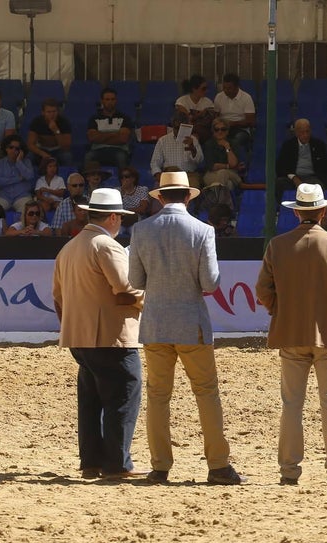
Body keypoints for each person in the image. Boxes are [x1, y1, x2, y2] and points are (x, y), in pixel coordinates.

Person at [127, 172, 244, 486]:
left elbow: (136, 282)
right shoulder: (203, 230)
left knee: (157, 396)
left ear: (160, 196)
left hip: (155, 323)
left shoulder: (140, 230)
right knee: (206, 393)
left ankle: (160, 466)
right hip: (191, 323)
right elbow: (210, 283)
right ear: (189, 197)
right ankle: (218, 466)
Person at [255, 183, 327, 485]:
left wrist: (280, 308)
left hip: (290, 334)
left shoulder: (277, 245)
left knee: (291, 404)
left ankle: (289, 470)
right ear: (323, 211)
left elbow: (263, 290)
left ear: (297, 212)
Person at [51, 187, 147, 478]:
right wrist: (147, 296)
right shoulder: (106, 246)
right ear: (114, 217)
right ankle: (117, 463)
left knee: (91, 399)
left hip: (78, 336)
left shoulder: (68, 248)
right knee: (123, 393)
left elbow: (57, 297)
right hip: (110, 336)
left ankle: (91, 462)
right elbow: (126, 288)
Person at [276, 119, 327, 194]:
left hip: (312, 177)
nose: (305, 135)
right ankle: (278, 205)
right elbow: (281, 167)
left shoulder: (319, 145)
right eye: (302, 132)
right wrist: (294, 178)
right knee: (279, 183)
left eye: (307, 131)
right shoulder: (288, 145)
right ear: (296, 133)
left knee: (317, 188)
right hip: (292, 178)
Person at [85, 87, 135, 169]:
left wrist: (101, 135)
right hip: (98, 150)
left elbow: (123, 139)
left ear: (116, 100)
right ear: (102, 101)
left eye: (112, 99)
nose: (110, 102)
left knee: (121, 157)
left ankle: (124, 180)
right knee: (89, 156)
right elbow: (92, 138)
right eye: (107, 99)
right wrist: (115, 134)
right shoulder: (94, 118)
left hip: (119, 150)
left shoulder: (125, 118)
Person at [150, 111, 204, 187]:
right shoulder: (163, 140)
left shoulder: (193, 139)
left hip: (189, 175)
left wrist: (192, 149)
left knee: (193, 190)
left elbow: (199, 160)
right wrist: (158, 174)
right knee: (160, 192)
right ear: (172, 127)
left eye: (181, 128)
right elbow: (155, 162)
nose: (179, 131)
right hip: (169, 174)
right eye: (176, 128)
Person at [212, 73, 256, 162]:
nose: (226, 90)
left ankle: (234, 163)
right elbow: (215, 116)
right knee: (211, 140)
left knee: (236, 141)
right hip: (222, 127)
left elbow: (250, 121)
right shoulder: (219, 97)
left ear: (237, 87)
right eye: (224, 88)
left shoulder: (246, 98)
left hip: (240, 129)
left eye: (229, 88)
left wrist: (233, 123)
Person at [0, 134, 34, 213]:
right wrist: (19, 178)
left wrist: (19, 162)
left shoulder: (26, 162)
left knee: (29, 212)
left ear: (21, 151)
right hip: (3, 195)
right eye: (11, 147)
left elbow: (30, 176)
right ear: (6, 148)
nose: (13, 150)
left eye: (17, 148)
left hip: (22, 195)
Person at [26, 98, 74, 167]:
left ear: (58, 111)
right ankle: (30, 176)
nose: (52, 114)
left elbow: (66, 147)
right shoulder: (36, 122)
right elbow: (30, 145)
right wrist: (43, 154)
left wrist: (56, 131)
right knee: (29, 156)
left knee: (67, 156)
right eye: (48, 112)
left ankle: (66, 176)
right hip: (42, 149)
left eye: (54, 111)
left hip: (58, 150)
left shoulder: (64, 122)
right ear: (43, 112)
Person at [202, 118, 243, 191]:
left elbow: (233, 163)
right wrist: (228, 166)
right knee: (228, 182)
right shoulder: (209, 144)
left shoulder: (233, 143)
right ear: (213, 131)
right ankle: (240, 184)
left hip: (230, 173)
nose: (220, 132)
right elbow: (212, 166)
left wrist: (227, 147)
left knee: (224, 176)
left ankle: (216, 199)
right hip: (211, 174)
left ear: (227, 131)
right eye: (216, 129)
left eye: (223, 129)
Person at [175, 75, 217, 143]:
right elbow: (185, 118)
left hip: (202, 132)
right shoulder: (181, 101)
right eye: (203, 88)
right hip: (187, 130)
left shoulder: (208, 102)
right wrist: (200, 115)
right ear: (194, 89)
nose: (206, 91)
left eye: (206, 88)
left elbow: (209, 121)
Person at [117, 168, 150, 232]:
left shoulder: (142, 190)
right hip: (121, 220)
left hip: (136, 220)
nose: (124, 179)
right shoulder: (117, 191)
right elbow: (114, 207)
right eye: (122, 177)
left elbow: (143, 209)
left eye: (127, 177)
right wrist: (122, 191)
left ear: (133, 178)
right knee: (118, 231)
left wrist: (126, 211)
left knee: (133, 230)